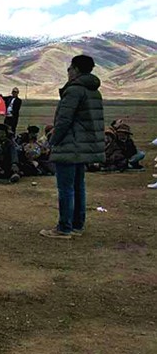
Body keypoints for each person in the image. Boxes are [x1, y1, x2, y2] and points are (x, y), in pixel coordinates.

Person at [41, 54, 104, 239]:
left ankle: (64, 228)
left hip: (70, 145)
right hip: (83, 146)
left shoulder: (74, 90)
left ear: (75, 69)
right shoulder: (93, 91)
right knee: (78, 186)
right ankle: (77, 225)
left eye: (69, 68)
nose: (68, 71)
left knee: (66, 188)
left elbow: (64, 120)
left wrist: (53, 141)